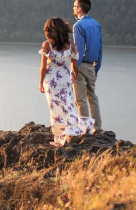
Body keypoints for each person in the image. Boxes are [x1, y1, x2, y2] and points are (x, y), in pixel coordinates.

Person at [39, 17, 95, 146]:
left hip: (51, 83)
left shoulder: (47, 45)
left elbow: (43, 67)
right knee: (68, 106)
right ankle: (71, 129)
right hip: (66, 81)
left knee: (56, 110)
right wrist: (75, 74)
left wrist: (40, 82)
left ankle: (59, 139)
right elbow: (74, 63)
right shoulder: (70, 44)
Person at [72, 0, 102, 132]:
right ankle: (98, 127)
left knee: (80, 99)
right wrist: (97, 68)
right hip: (91, 66)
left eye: (74, 6)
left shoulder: (78, 26)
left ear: (80, 8)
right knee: (93, 97)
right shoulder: (96, 24)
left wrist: (75, 68)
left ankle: (85, 129)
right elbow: (100, 47)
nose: (73, 8)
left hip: (81, 65)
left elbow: (78, 49)